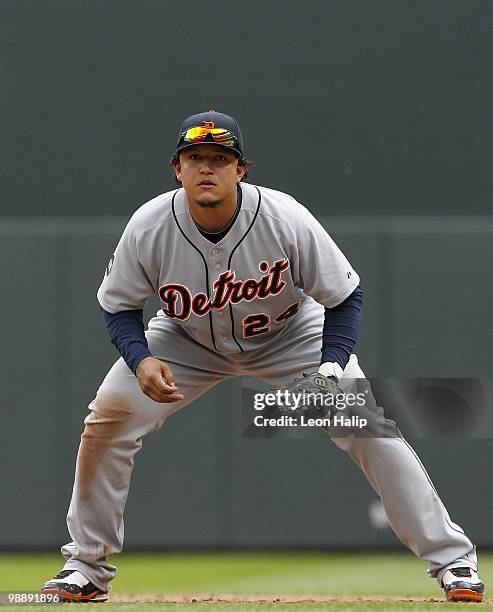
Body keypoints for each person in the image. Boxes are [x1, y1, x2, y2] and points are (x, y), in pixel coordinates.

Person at [41, 111, 484, 603]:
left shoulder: (282, 217)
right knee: (108, 419)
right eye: (195, 158)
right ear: (177, 169)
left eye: (219, 158)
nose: (206, 167)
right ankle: (85, 566)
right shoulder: (150, 225)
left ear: (240, 170)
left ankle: (454, 562)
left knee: (368, 428)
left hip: (291, 335)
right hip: (184, 342)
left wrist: (331, 367)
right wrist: (140, 357)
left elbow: (344, 297)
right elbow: (119, 305)